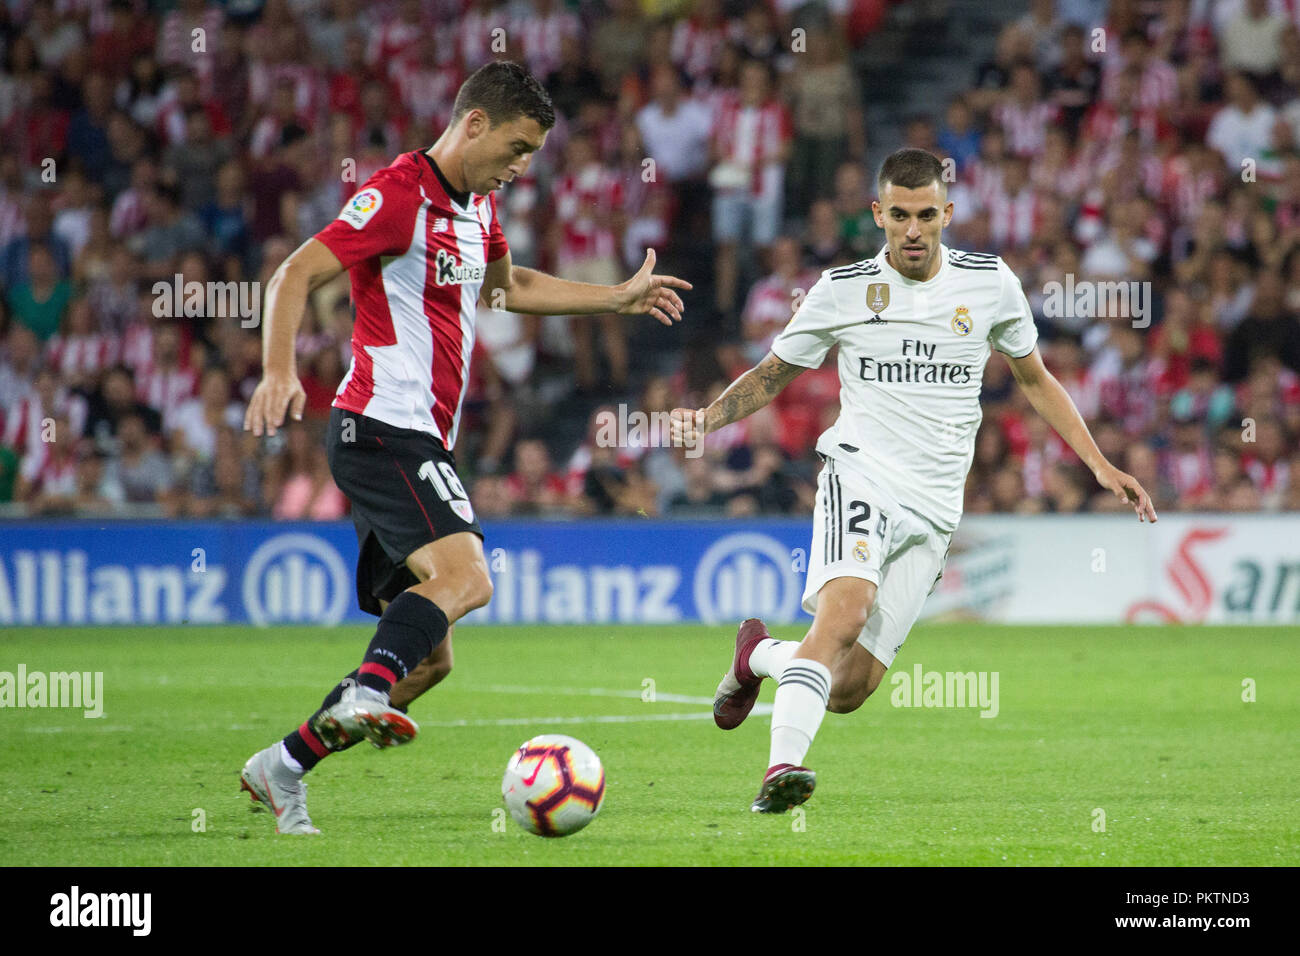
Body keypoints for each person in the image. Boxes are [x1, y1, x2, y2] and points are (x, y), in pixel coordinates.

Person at [239, 61, 691, 834]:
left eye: (532, 156)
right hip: (383, 425)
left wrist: (613, 296)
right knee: (469, 575)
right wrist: (278, 370)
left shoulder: (478, 208)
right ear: (473, 123)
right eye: (516, 147)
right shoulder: (399, 194)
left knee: (432, 661)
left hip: (419, 438)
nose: (521, 167)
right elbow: (294, 272)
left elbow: (508, 287)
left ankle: (283, 765)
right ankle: (363, 694)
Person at [670, 148, 1157, 813]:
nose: (913, 230)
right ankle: (782, 767)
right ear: (878, 214)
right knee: (845, 611)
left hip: (934, 507)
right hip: (861, 470)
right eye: (899, 215)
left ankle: (756, 656)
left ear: (947, 214)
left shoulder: (989, 284)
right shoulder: (841, 290)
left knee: (848, 690)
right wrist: (708, 418)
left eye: (927, 215)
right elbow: (773, 374)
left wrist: (1099, 464)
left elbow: (1036, 380)